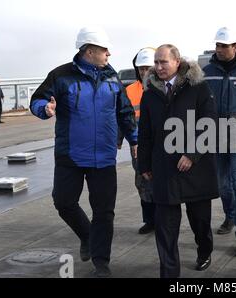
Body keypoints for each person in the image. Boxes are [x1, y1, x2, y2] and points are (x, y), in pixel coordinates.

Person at [30, 26, 138, 278]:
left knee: (104, 211)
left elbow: (124, 113)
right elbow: (37, 99)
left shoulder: (113, 79)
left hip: (103, 157)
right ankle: (88, 236)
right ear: (90, 51)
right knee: (64, 202)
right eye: (104, 50)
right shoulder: (61, 75)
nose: (109, 54)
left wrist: (134, 140)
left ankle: (101, 263)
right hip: (70, 155)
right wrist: (44, 108)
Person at [138, 44, 218, 278]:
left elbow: (210, 124)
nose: (158, 67)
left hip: (196, 168)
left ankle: (204, 251)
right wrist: (144, 165)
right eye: (156, 62)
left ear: (177, 61)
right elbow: (145, 133)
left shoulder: (199, 88)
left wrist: (192, 154)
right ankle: (169, 273)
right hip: (164, 168)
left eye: (163, 62)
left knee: (200, 221)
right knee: (165, 227)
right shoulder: (150, 93)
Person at [203, 27, 236, 256]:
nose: (219, 49)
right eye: (217, 45)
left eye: (224, 45)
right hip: (215, 138)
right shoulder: (206, 72)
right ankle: (230, 216)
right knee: (222, 185)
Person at [118, 47, 156, 235]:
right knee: (143, 182)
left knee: (161, 183)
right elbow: (122, 116)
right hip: (138, 145)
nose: (144, 72)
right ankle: (149, 220)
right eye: (141, 68)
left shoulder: (164, 86)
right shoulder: (130, 90)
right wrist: (119, 140)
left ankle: (162, 219)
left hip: (161, 144)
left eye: (147, 67)